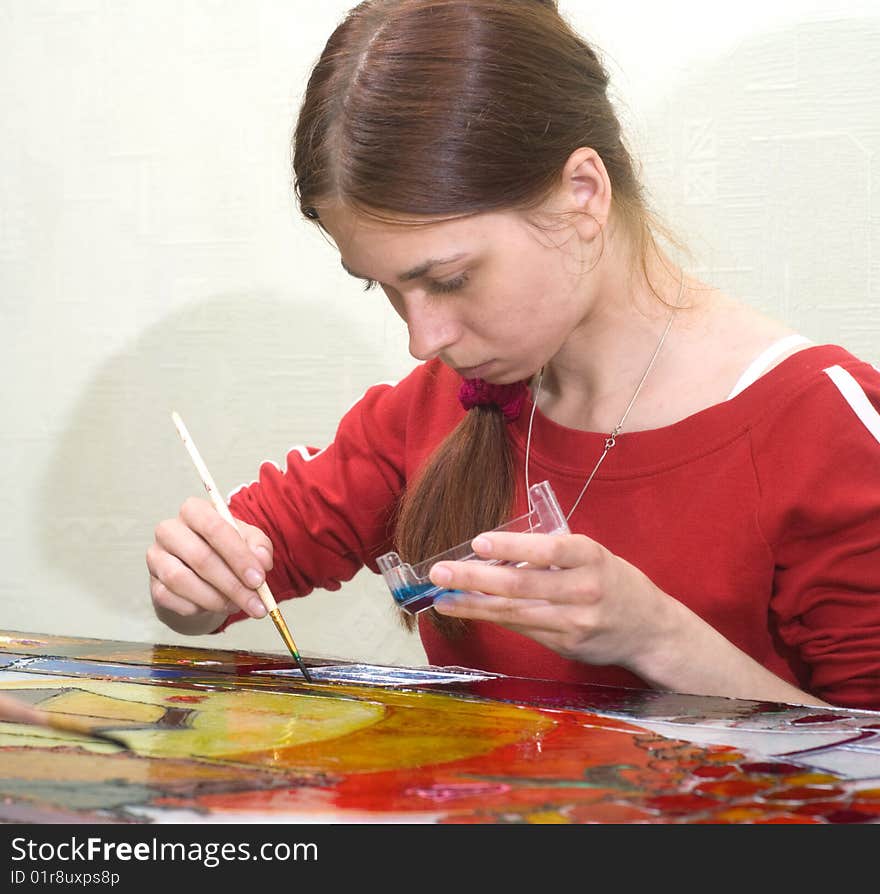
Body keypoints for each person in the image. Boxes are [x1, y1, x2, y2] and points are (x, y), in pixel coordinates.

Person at [146, 0, 880, 711]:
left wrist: (656, 636)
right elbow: (223, 589)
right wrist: (194, 580)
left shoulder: (820, 425)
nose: (422, 339)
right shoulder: (433, 408)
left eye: (449, 279)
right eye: (386, 289)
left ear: (582, 193)